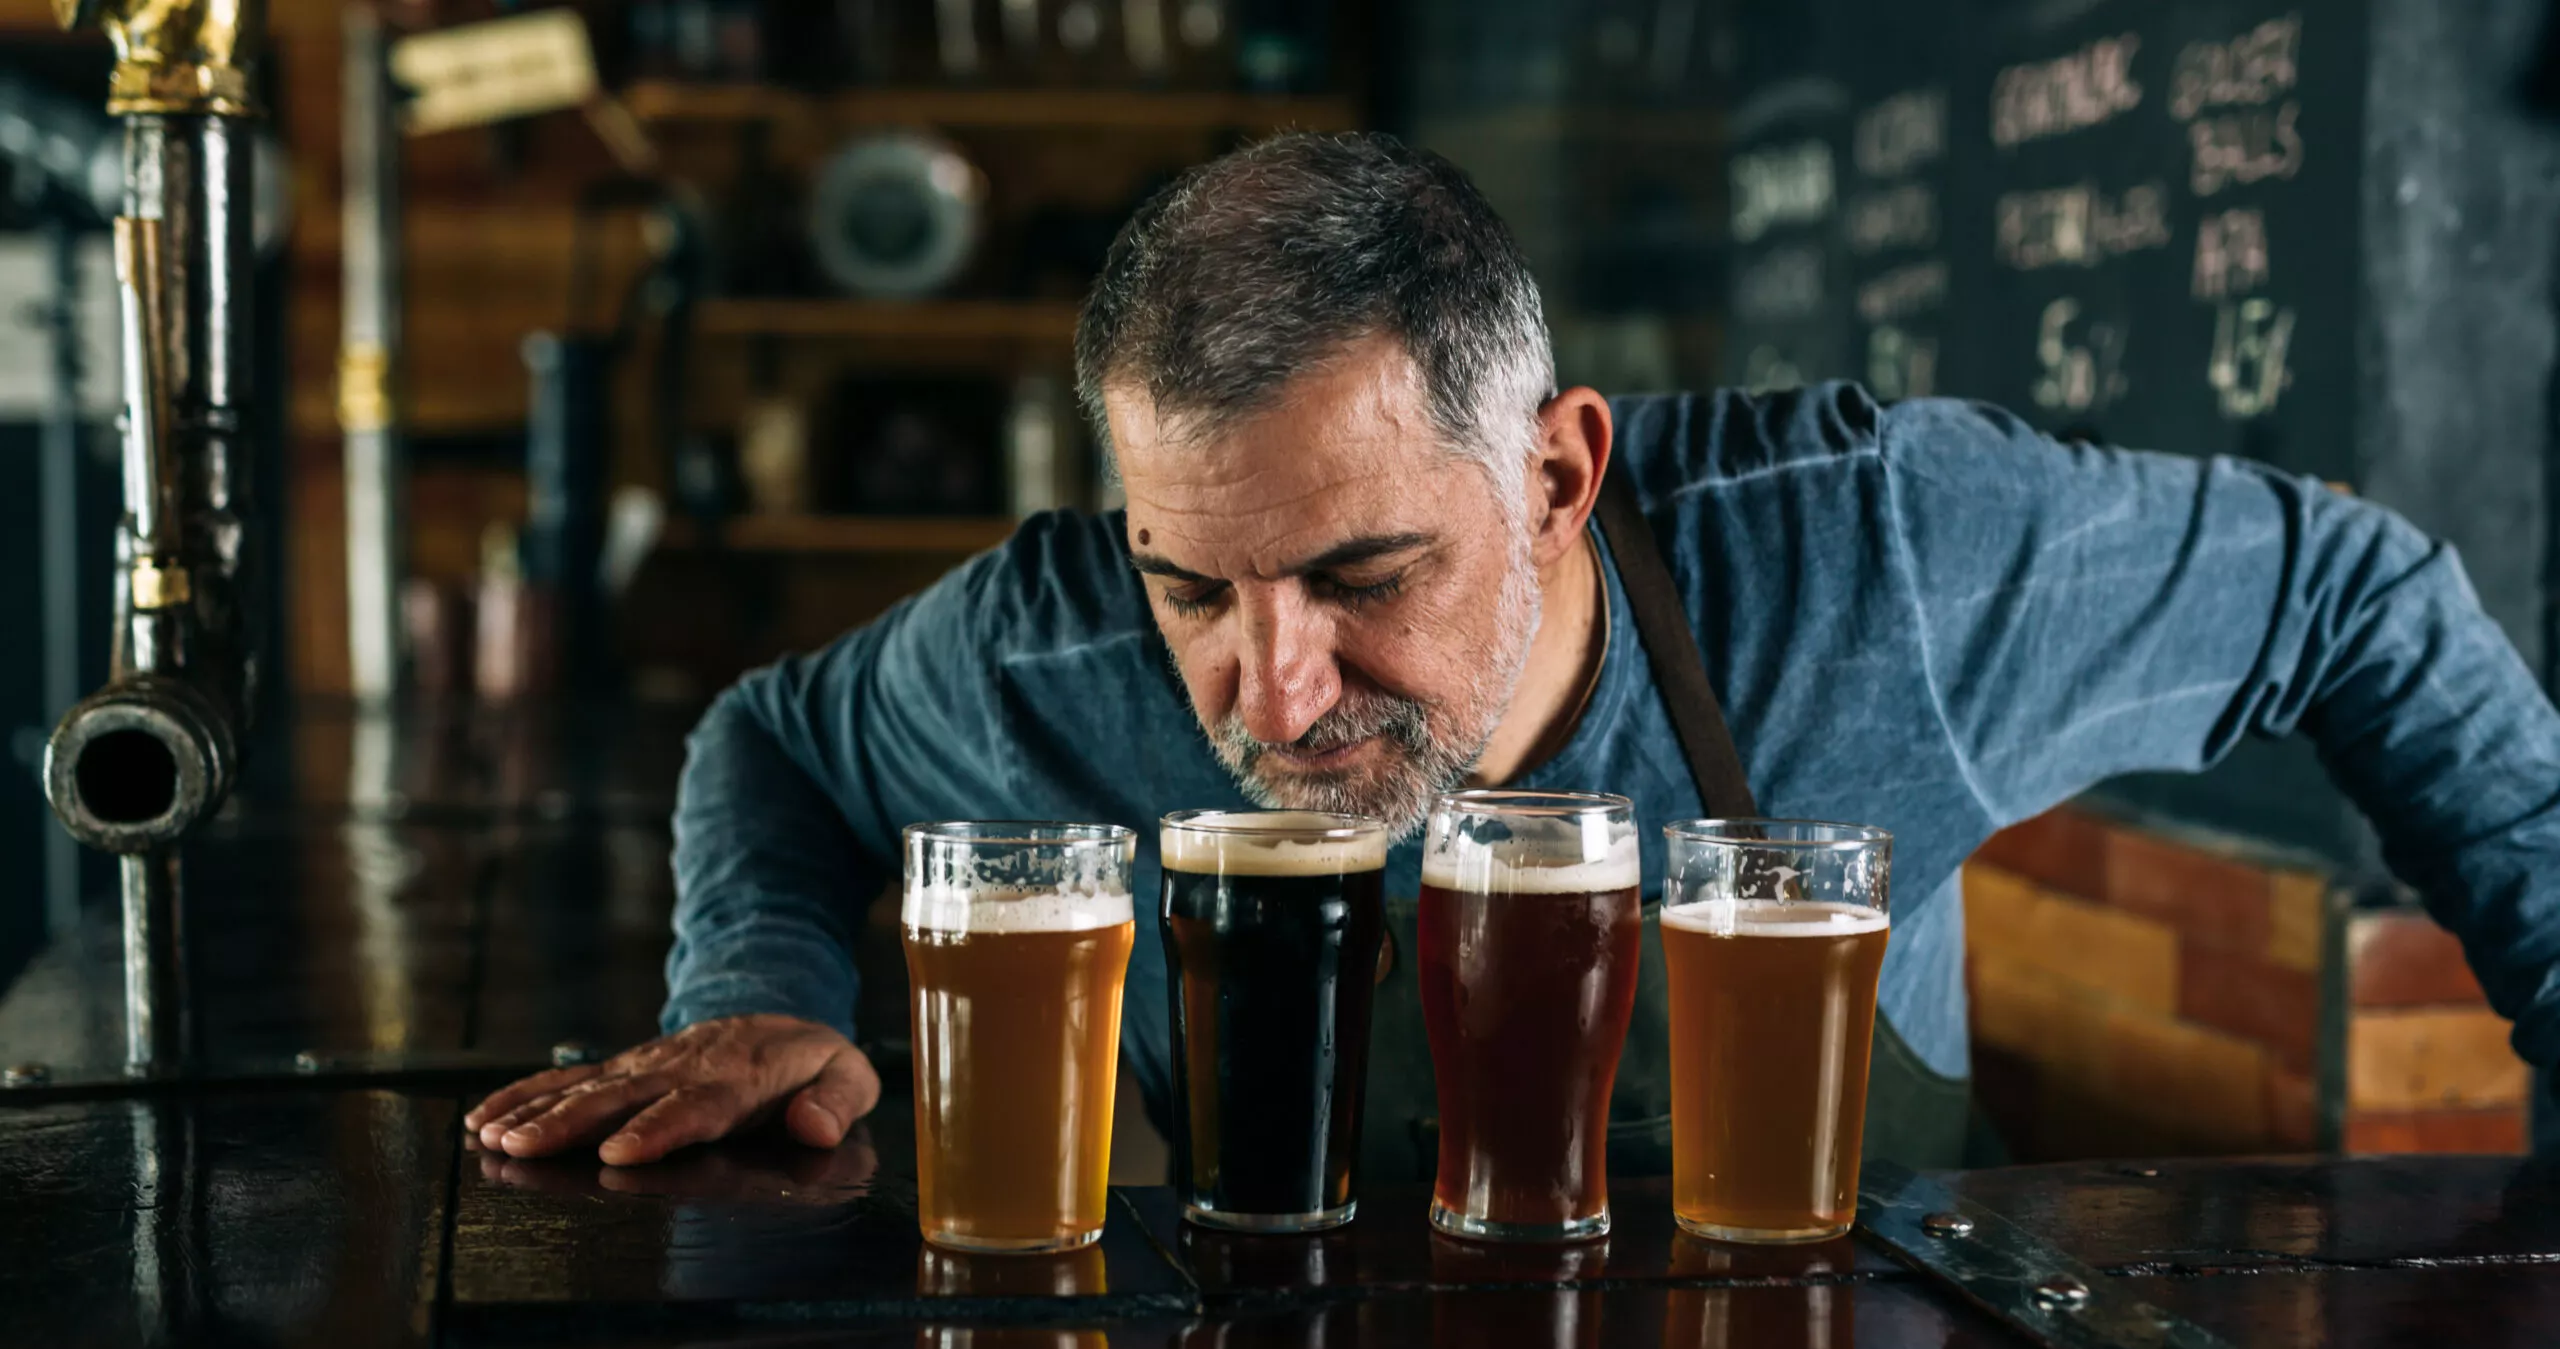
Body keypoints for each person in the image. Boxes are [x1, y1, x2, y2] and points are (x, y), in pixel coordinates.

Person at [464, 132, 2560, 1174]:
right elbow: (774, 736)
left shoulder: (1875, 557)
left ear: (1555, 475)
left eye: (1361, 577)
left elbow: (2349, 592)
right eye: (1195, 587)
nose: (1270, 689)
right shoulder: (1039, 651)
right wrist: (753, 981)